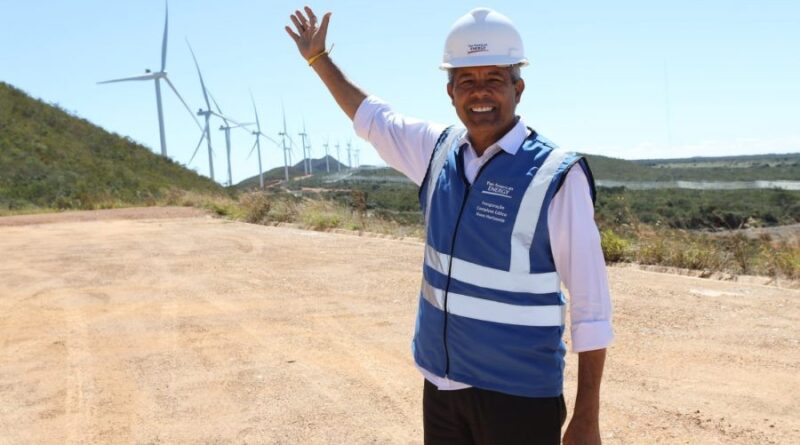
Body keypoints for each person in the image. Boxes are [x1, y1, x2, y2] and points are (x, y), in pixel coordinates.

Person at [286, 6, 613, 445]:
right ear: (450, 91)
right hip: (441, 387)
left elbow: (592, 305)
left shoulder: (557, 175)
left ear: (518, 88)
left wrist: (587, 417)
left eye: (494, 78)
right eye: (467, 81)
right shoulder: (436, 152)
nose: (480, 92)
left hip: (518, 396)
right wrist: (318, 59)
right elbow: (373, 119)